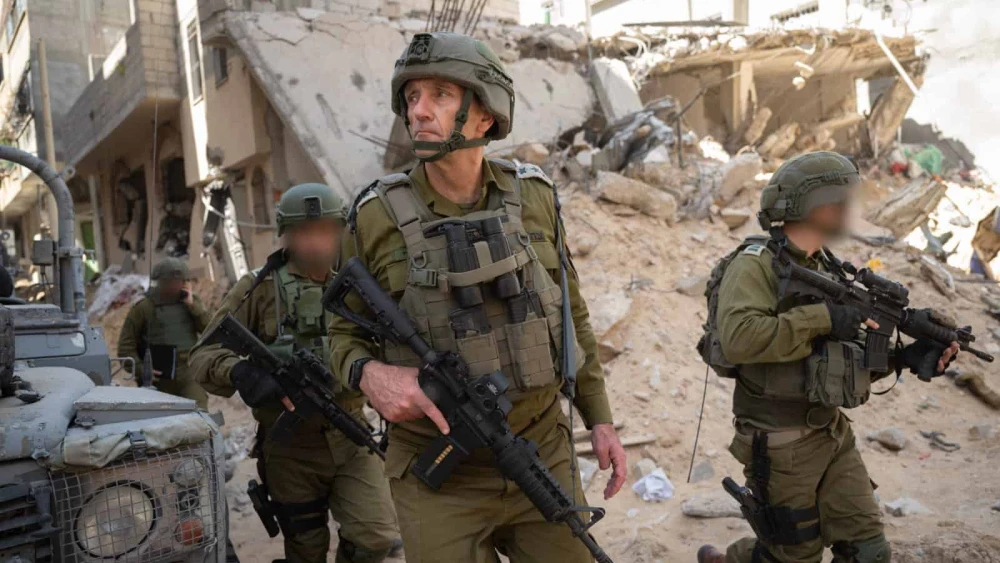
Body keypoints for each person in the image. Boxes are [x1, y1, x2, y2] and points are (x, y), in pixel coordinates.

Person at [328, 31, 627, 563]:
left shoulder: (534, 197)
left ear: (485, 115)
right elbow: (339, 332)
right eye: (412, 97)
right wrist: (368, 374)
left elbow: (569, 311)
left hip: (541, 449)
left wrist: (598, 418)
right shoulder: (373, 217)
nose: (420, 111)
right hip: (438, 469)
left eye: (440, 94)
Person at [696, 151, 960, 563]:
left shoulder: (827, 268)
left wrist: (906, 358)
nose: (849, 210)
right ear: (814, 205)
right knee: (793, 556)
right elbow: (739, 340)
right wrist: (822, 317)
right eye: (842, 200)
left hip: (831, 432)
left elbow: (835, 358)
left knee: (868, 552)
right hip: (780, 444)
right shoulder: (755, 266)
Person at [189, 183, 401, 563]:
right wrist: (241, 372)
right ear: (287, 234)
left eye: (325, 231)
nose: (316, 244)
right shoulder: (261, 287)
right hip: (289, 448)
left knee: (377, 536)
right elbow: (203, 354)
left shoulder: (361, 283)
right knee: (306, 547)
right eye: (304, 233)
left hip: (351, 433)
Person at [118, 257, 211, 408]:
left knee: (199, 416)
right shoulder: (143, 308)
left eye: (182, 281)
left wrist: (194, 307)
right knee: (161, 425)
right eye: (173, 282)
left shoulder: (192, 303)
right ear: (162, 283)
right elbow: (125, 347)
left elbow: (210, 330)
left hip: (189, 373)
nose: (178, 286)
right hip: (158, 378)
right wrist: (142, 370)